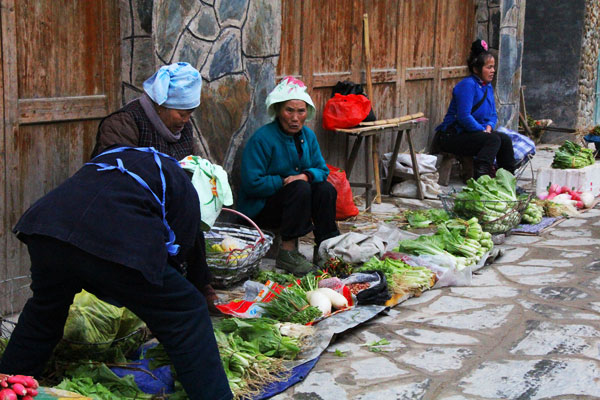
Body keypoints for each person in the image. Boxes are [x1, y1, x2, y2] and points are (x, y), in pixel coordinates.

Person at [0, 146, 233, 400]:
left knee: (44, 312)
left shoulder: (132, 157)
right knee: (186, 311)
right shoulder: (187, 192)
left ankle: (8, 380)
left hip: (48, 228)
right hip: (111, 236)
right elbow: (175, 261)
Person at [91, 62, 219, 312]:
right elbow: (115, 176)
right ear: (160, 105)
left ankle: (200, 285)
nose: (186, 120)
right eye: (182, 113)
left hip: (168, 205)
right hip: (128, 208)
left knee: (192, 212)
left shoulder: (183, 127)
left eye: (190, 113)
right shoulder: (123, 124)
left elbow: (189, 162)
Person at [237, 76, 340, 275]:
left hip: (295, 200)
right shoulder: (262, 139)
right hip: (262, 209)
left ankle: (325, 246)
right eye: (289, 110)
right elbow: (252, 183)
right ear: (277, 111)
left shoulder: (307, 136)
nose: (295, 118)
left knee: (325, 188)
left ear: (307, 113)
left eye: (301, 111)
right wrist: (285, 181)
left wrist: (306, 176)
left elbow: (322, 170)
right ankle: (287, 253)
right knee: (299, 187)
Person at [435, 39, 516, 179]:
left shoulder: (487, 86)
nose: (493, 71)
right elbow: (464, 116)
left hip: (475, 134)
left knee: (505, 139)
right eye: (489, 67)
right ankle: (481, 178)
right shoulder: (467, 85)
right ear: (476, 69)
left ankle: (507, 179)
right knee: (493, 140)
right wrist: (482, 130)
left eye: (493, 67)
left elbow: (492, 114)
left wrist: (489, 128)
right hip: (452, 137)